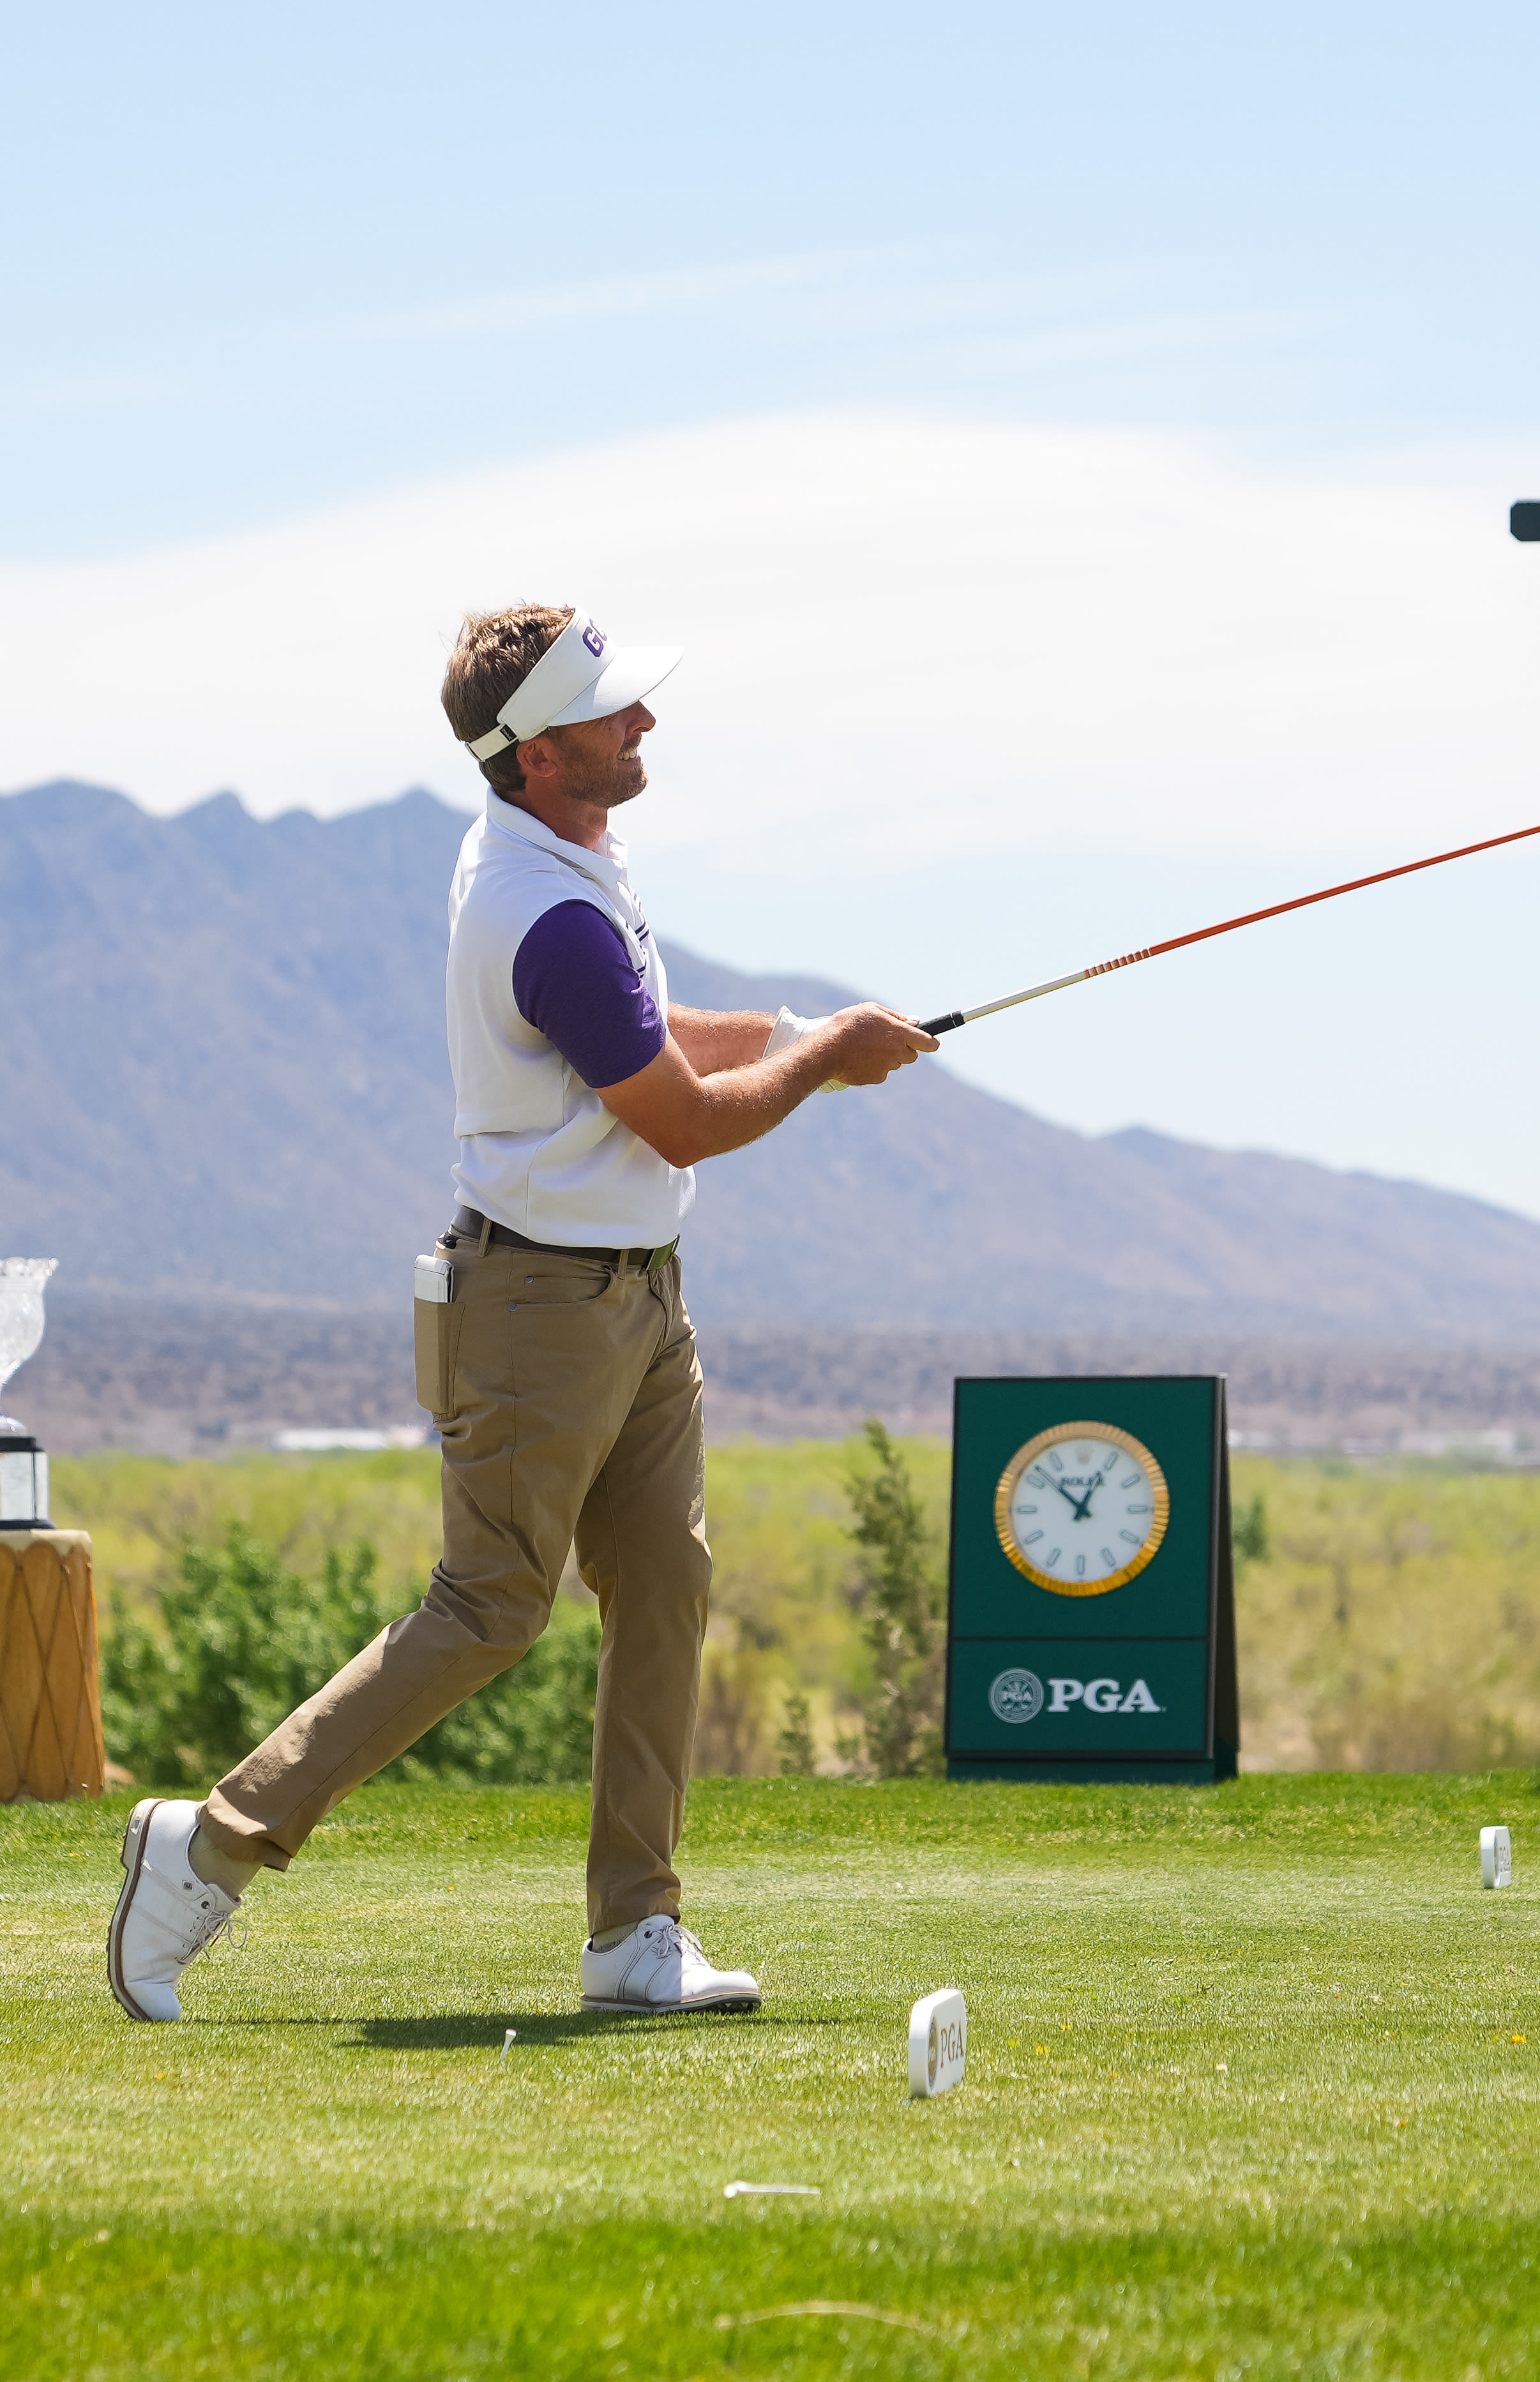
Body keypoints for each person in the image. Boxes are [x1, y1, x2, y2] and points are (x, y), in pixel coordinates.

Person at [105, 604, 937, 2022]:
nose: (647, 725)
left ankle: (635, 1932)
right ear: (541, 754)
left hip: (636, 1299)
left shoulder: (568, 860)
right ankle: (212, 1842)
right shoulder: (541, 910)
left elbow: (657, 1031)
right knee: (490, 1608)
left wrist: (808, 1035)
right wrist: (819, 1067)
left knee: (665, 1585)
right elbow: (676, 1115)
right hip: (538, 1306)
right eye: (618, 714)